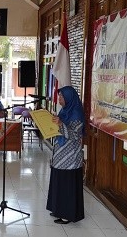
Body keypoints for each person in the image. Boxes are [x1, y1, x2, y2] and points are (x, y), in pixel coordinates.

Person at [46, 86, 85, 224]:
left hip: (70, 158)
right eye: (59, 96)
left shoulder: (76, 114)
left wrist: (61, 123)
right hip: (60, 155)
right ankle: (57, 209)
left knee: (66, 186)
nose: (59, 99)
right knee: (58, 183)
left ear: (69, 97)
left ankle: (67, 214)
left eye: (62, 96)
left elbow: (75, 135)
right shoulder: (64, 110)